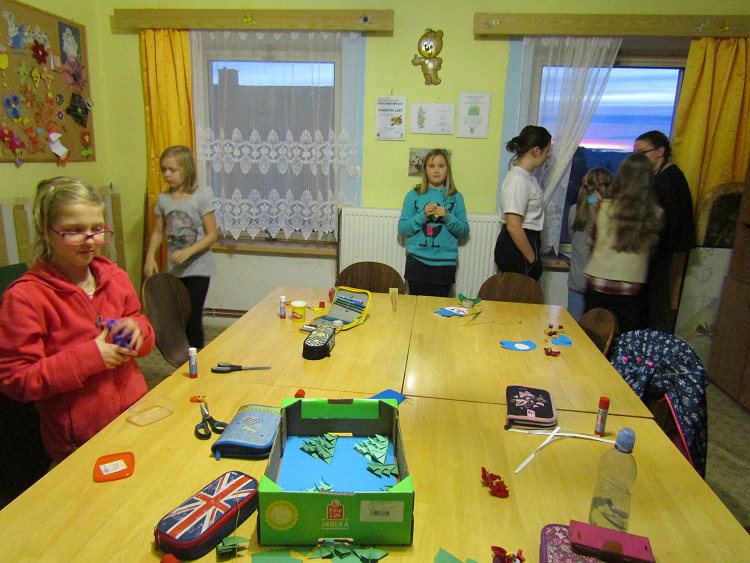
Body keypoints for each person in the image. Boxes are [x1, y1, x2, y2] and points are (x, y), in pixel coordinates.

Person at [0, 177, 155, 463]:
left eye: (97, 229)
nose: (90, 240)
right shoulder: (25, 297)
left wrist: (138, 330)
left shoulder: (115, 278)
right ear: (45, 232)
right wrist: (92, 357)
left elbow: (141, 328)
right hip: (79, 440)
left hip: (135, 416)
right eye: (74, 231)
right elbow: (17, 380)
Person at [144, 146, 218, 349]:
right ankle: (182, 357)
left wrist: (188, 252)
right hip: (175, 269)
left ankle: (197, 358)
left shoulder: (200, 197)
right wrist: (150, 257)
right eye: (164, 170)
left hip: (199, 268)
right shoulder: (163, 199)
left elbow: (212, 234)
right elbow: (158, 231)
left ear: (186, 169)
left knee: (192, 317)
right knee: (178, 316)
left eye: (172, 170)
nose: (167, 174)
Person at [584, 154, 663, 334]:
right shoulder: (656, 213)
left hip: (599, 278)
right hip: (632, 283)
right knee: (629, 338)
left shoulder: (603, 206)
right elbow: (652, 251)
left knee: (592, 335)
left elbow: (591, 243)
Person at [633, 131, 696, 333]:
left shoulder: (668, 181)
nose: (638, 159)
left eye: (642, 153)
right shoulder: (662, 177)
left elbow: (666, 226)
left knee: (655, 303)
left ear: (660, 151)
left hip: (658, 253)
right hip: (657, 252)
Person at [398, 148, 470, 296]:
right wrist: (423, 216)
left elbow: (464, 230)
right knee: (415, 306)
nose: (436, 170)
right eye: (431, 166)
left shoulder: (456, 197)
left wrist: (447, 217)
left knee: (439, 308)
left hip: (445, 264)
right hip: (416, 263)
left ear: (447, 169)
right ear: (425, 170)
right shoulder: (413, 195)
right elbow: (403, 229)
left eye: (441, 166)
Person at [494, 125, 552, 281]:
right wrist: (531, 258)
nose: (547, 156)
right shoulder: (517, 180)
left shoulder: (527, 177)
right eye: (546, 151)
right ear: (536, 150)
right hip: (517, 246)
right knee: (518, 293)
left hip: (525, 242)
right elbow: (513, 226)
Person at [567, 167, 613, 321]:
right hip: (599, 283)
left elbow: (573, 239)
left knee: (574, 328)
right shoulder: (609, 213)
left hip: (577, 280)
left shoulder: (575, 210)